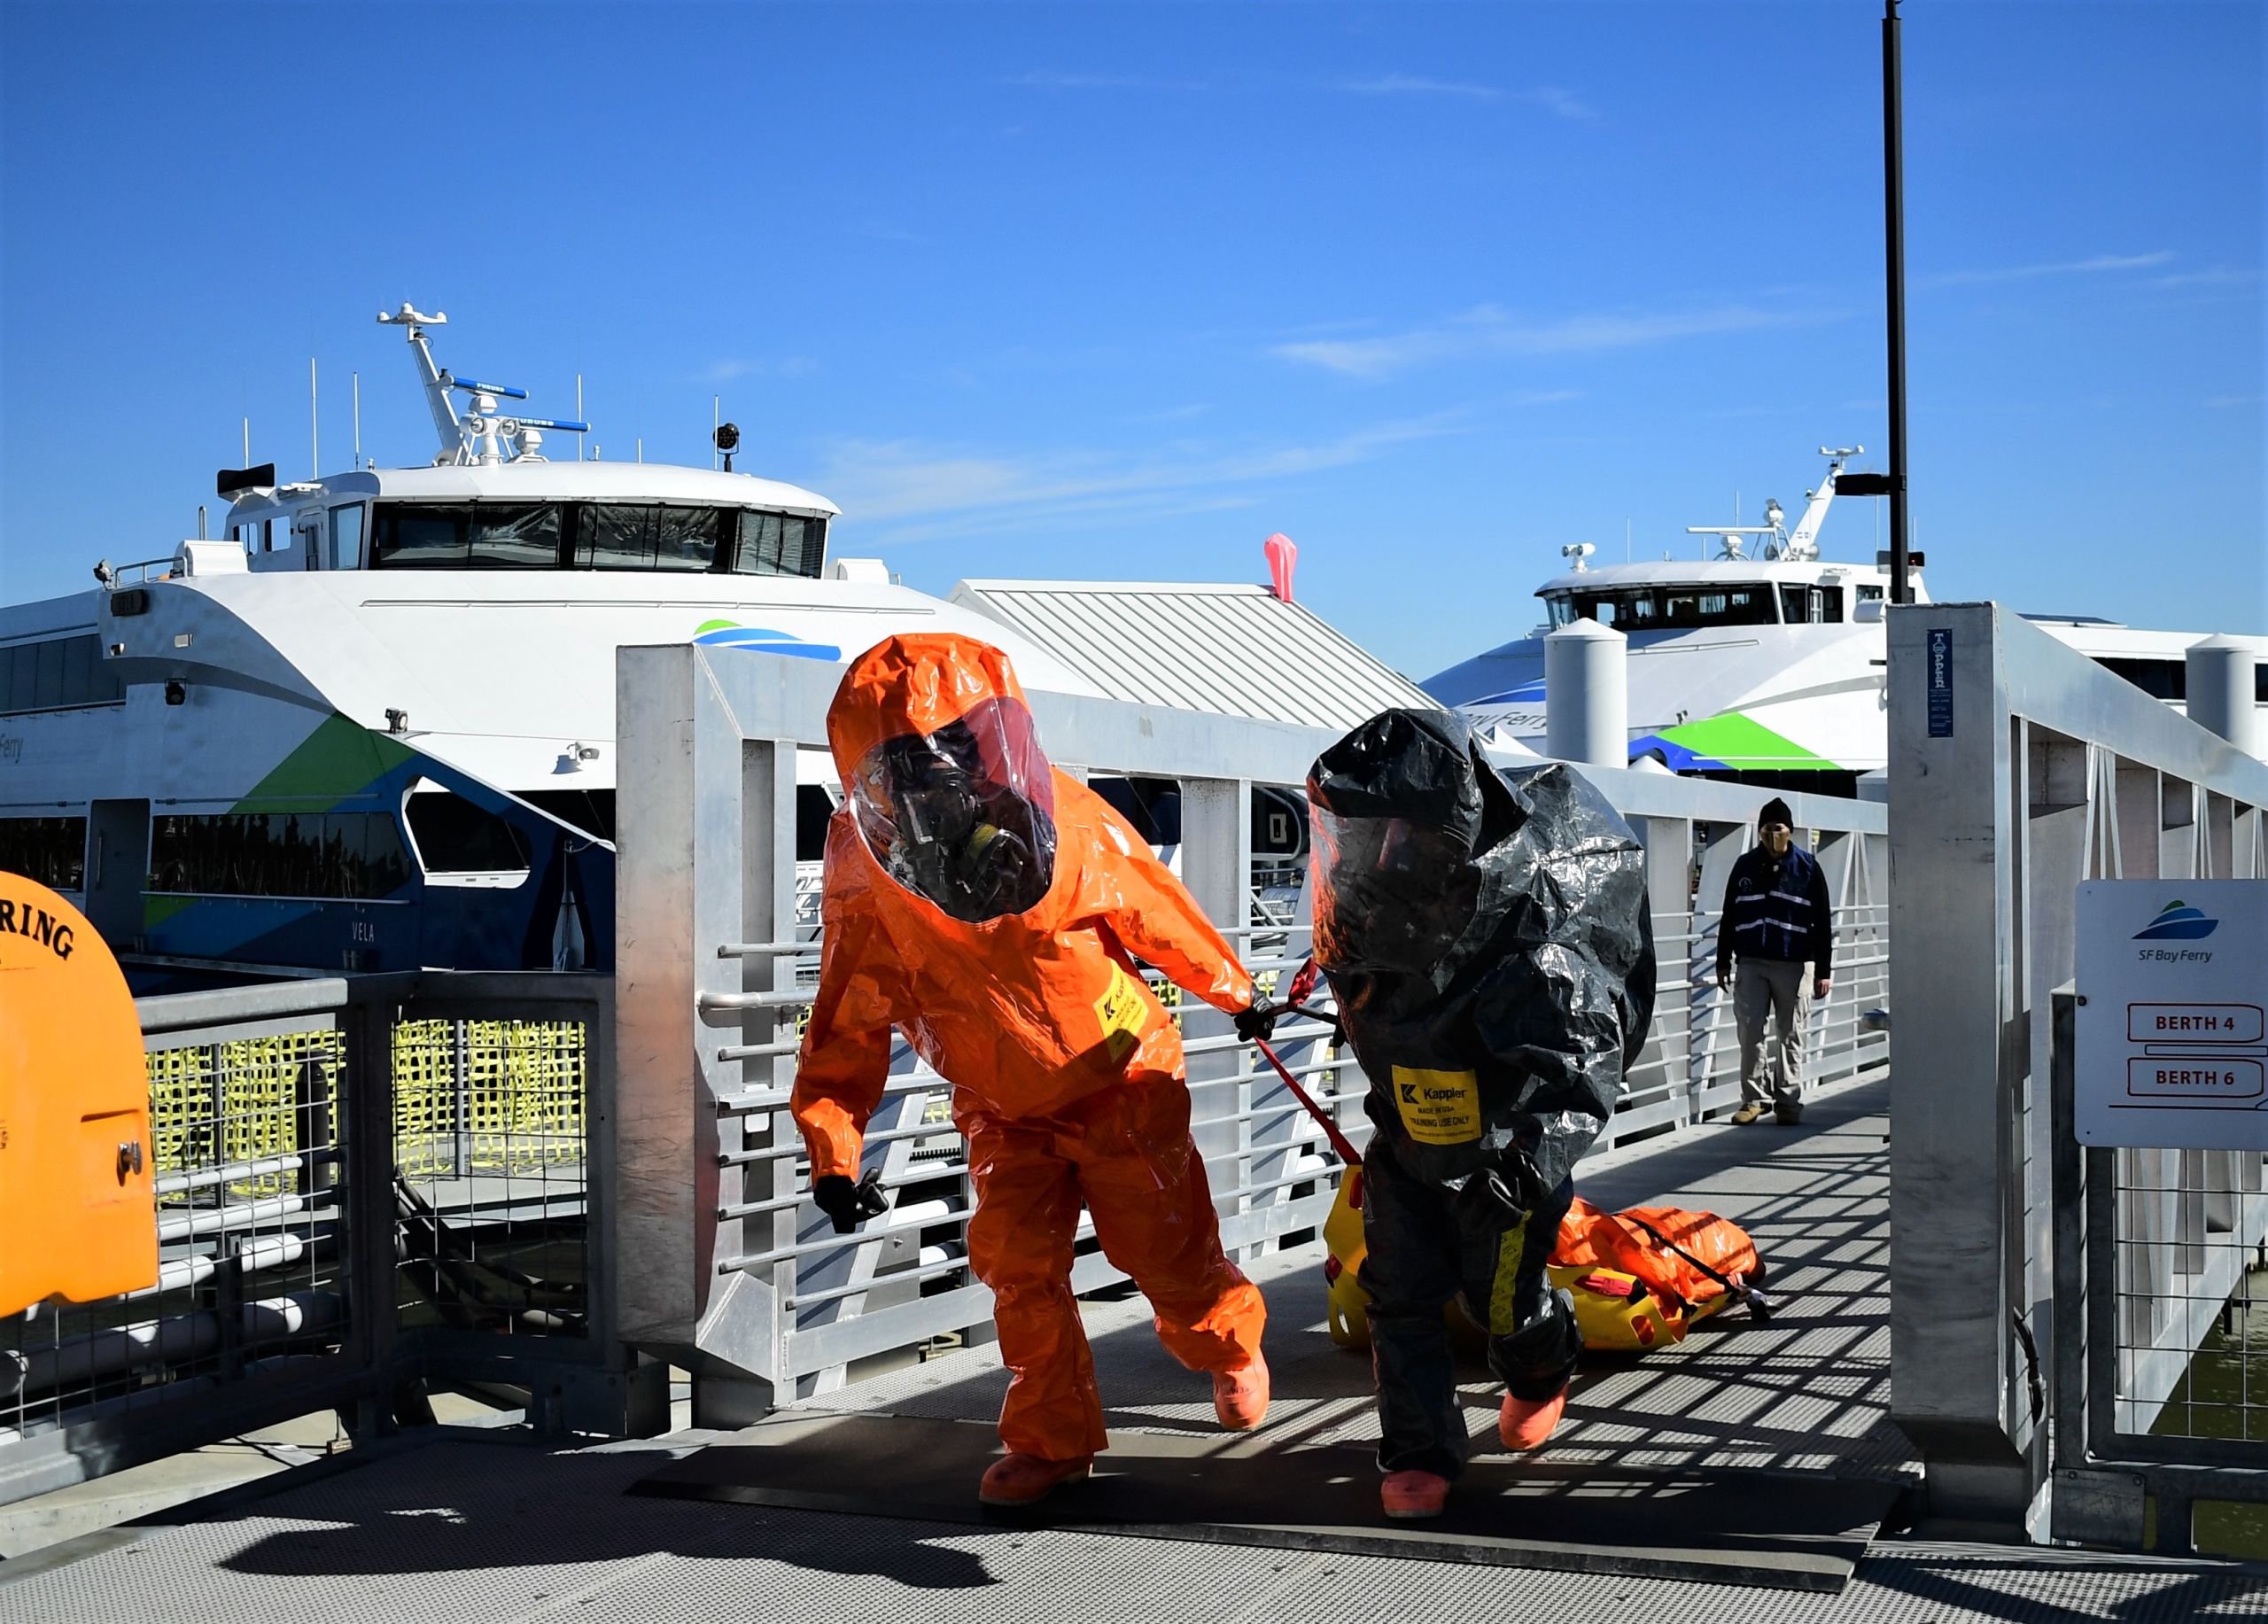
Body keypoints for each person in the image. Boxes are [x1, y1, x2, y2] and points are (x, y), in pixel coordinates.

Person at [791, 632, 1274, 1508]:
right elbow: (844, 1011)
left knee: (1164, 1258)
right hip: (997, 1099)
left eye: (945, 767)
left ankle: (1228, 1340)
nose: (930, 796)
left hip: (1119, 1075)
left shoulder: (1071, 819)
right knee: (1017, 1270)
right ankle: (1050, 1441)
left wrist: (1235, 992)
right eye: (902, 776)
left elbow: (1156, 911)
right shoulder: (863, 866)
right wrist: (834, 1150)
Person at [1305, 709, 1654, 1521]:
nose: (1368, 846)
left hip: (1504, 1155)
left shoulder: (1532, 924)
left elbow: (1578, 1066)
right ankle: (1420, 1449)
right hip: (1408, 1132)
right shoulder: (1371, 898)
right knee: (1399, 1290)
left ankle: (1540, 1362)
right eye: (1357, 831)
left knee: (1501, 1300)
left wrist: (1529, 1165)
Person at [1714, 796, 1834, 1126]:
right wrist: (1722, 960)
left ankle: (1788, 1101)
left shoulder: (1808, 868)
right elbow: (1729, 915)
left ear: (1790, 831)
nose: (1772, 833)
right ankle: (1754, 1099)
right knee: (1750, 1030)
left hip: (1794, 965)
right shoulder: (1744, 866)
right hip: (1751, 962)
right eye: (1766, 828)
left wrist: (1824, 971)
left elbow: (1823, 922)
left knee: (1790, 1033)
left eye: (1778, 828)